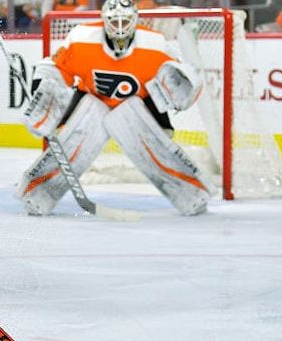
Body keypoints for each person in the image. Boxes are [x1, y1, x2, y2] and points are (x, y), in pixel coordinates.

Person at [15, 0, 210, 216]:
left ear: (135, 20)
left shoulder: (155, 44)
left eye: (125, 20)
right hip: (92, 99)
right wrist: (43, 91)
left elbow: (184, 80)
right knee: (77, 138)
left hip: (139, 104)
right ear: (103, 20)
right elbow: (56, 68)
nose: (119, 26)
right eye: (114, 20)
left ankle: (192, 194)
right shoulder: (82, 38)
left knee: (154, 144)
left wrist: (184, 87)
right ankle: (38, 193)